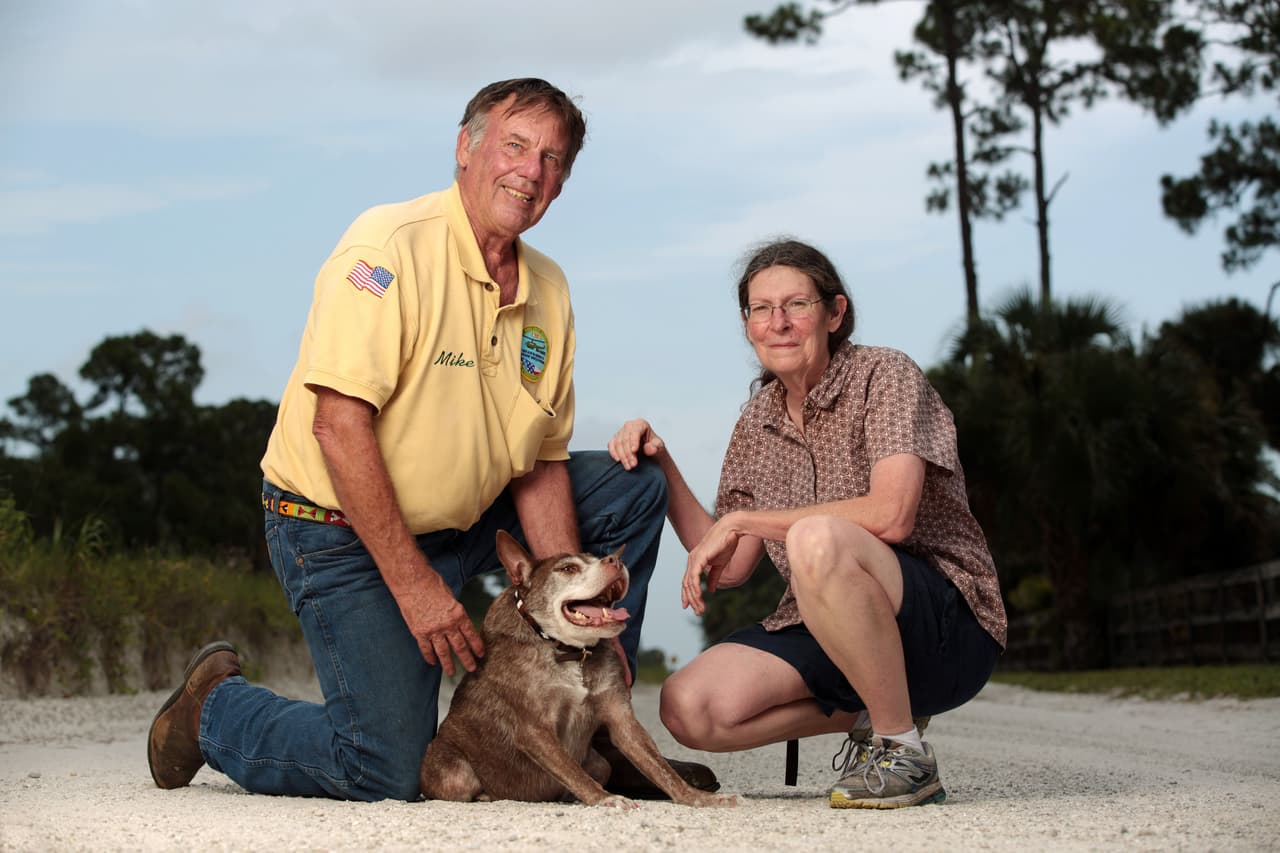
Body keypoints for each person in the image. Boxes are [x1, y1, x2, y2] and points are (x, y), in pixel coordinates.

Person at [147, 78, 716, 802]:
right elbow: (337, 425)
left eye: (552, 159)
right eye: (515, 145)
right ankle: (215, 711)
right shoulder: (386, 249)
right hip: (340, 528)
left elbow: (540, 466)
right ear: (464, 148)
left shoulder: (551, 289)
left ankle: (593, 717)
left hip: (472, 518)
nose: (532, 171)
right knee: (387, 766)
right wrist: (417, 588)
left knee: (633, 484)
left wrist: (576, 614)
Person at [607, 238, 1006, 809]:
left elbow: (892, 516)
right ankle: (878, 711)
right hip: (833, 631)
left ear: (834, 312)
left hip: (946, 625)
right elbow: (730, 565)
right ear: (747, 325)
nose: (779, 323)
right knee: (689, 707)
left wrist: (745, 519)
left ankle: (902, 752)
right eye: (761, 310)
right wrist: (661, 462)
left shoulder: (885, 376)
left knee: (813, 538)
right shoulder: (758, 422)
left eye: (796, 304)